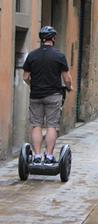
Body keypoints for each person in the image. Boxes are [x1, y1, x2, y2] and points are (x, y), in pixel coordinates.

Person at [23, 26, 73, 165]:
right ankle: (49, 156)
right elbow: (67, 78)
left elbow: (26, 76)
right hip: (53, 94)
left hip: (36, 95)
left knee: (36, 125)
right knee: (52, 126)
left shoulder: (32, 55)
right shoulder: (59, 56)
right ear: (53, 39)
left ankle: (37, 156)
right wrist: (69, 87)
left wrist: (33, 84)